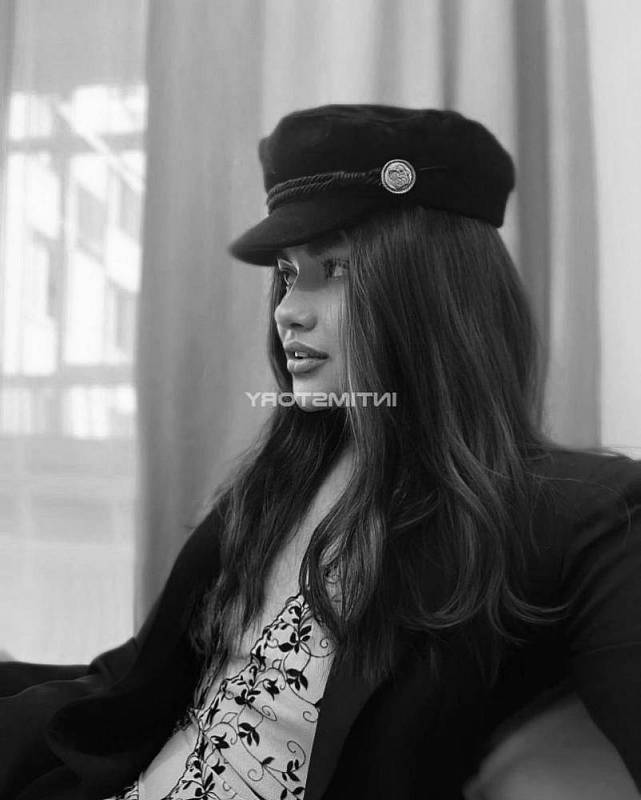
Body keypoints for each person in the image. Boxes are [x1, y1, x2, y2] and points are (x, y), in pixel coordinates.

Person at [1, 104, 640, 800]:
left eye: (334, 269)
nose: (287, 310)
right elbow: (128, 683)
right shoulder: (279, 481)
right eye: (286, 272)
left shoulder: (582, 515)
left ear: (436, 291)